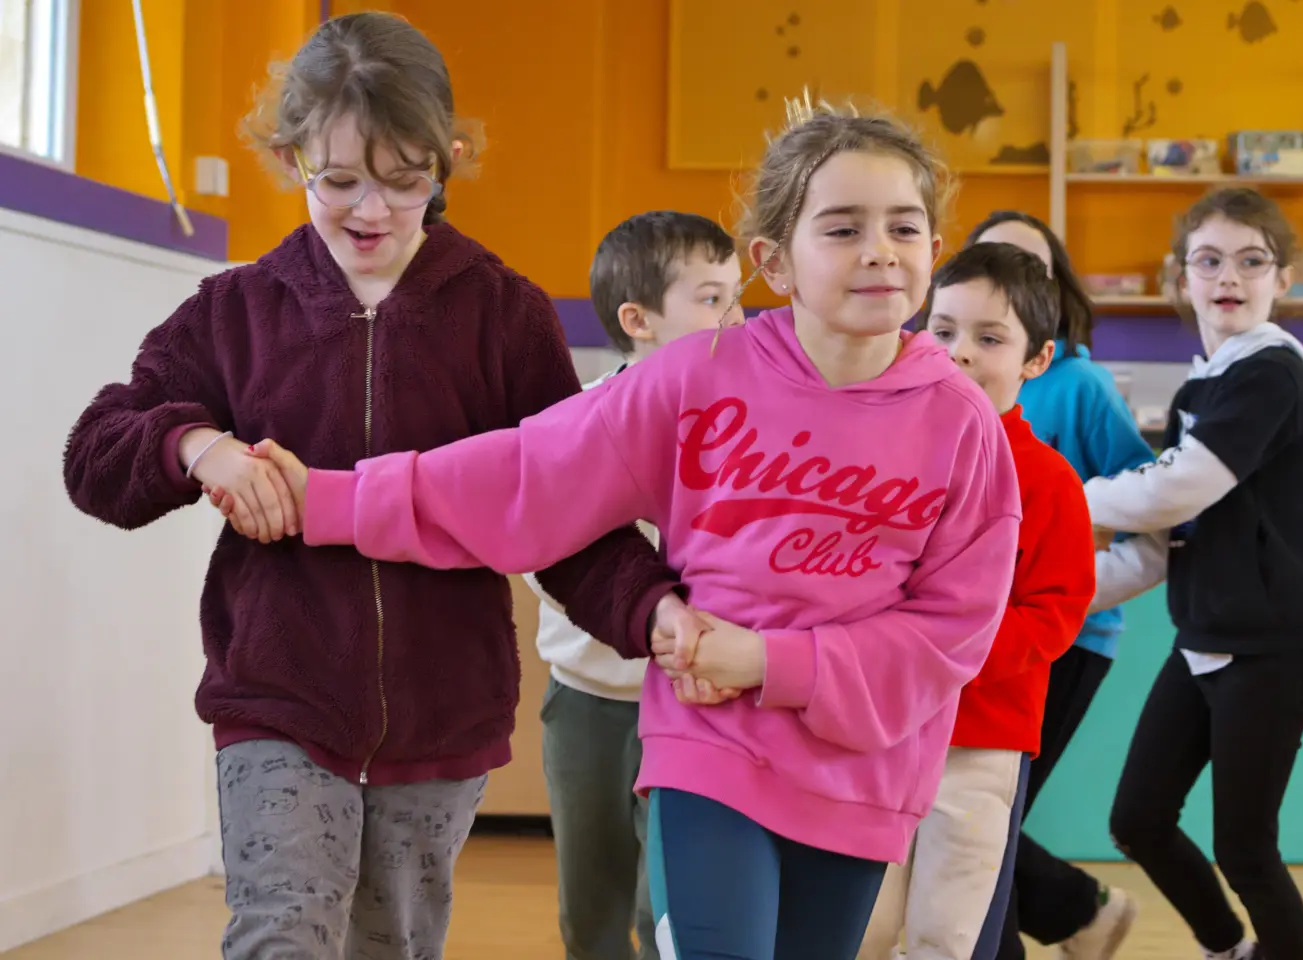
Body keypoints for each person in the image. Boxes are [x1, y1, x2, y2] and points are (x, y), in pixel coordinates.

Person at [244, 94, 1022, 960]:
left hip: (864, 771)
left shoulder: (961, 422)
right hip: (710, 742)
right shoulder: (696, 378)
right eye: (842, 229)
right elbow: (525, 474)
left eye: (904, 229)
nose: (880, 250)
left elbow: (953, 631)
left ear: (934, 252)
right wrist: (328, 501)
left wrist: (771, 661)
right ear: (774, 261)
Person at [61, 13, 673, 959]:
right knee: (283, 936)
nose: (372, 212)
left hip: (442, 717)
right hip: (278, 702)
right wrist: (195, 446)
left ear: (448, 158)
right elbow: (97, 453)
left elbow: (566, 513)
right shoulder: (235, 312)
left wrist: (657, 614)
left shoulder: (502, 317)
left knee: (391, 946)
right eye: (338, 180)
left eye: (404, 180)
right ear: (290, 154)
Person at [1086, 187, 1303, 960]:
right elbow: (1166, 537)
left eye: (1251, 260)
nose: (1229, 276)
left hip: (1269, 653)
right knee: (1138, 819)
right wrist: (1054, 588)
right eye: (1209, 260)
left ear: (1281, 280)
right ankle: (1228, 947)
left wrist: (1066, 500)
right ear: (1181, 276)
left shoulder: (1270, 371)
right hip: (1203, 641)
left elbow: (1177, 488)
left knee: (1247, 851)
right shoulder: (1205, 383)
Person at [858, 242, 1094, 960]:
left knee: (947, 935)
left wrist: (942, 659)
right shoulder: (879, 452)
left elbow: (1055, 611)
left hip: (984, 736)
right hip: (876, 733)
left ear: (1037, 359)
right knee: (854, 928)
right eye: (944, 330)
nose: (959, 353)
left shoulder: (1050, 481)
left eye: (989, 338)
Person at [524, 211, 740, 960]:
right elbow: (545, 558)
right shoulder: (576, 421)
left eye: (738, 299)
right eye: (712, 299)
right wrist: (639, 619)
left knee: (667, 915)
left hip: (697, 706)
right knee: (590, 910)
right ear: (637, 319)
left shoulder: (746, 433)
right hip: (587, 702)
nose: (735, 319)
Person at [963, 210, 1154, 960]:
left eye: (1030, 266)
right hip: (965, 641)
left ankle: (1074, 913)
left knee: (992, 828)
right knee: (976, 825)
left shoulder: (1079, 384)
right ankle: (1082, 912)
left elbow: (1146, 497)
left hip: (1064, 635)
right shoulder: (940, 376)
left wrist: (1076, 583)